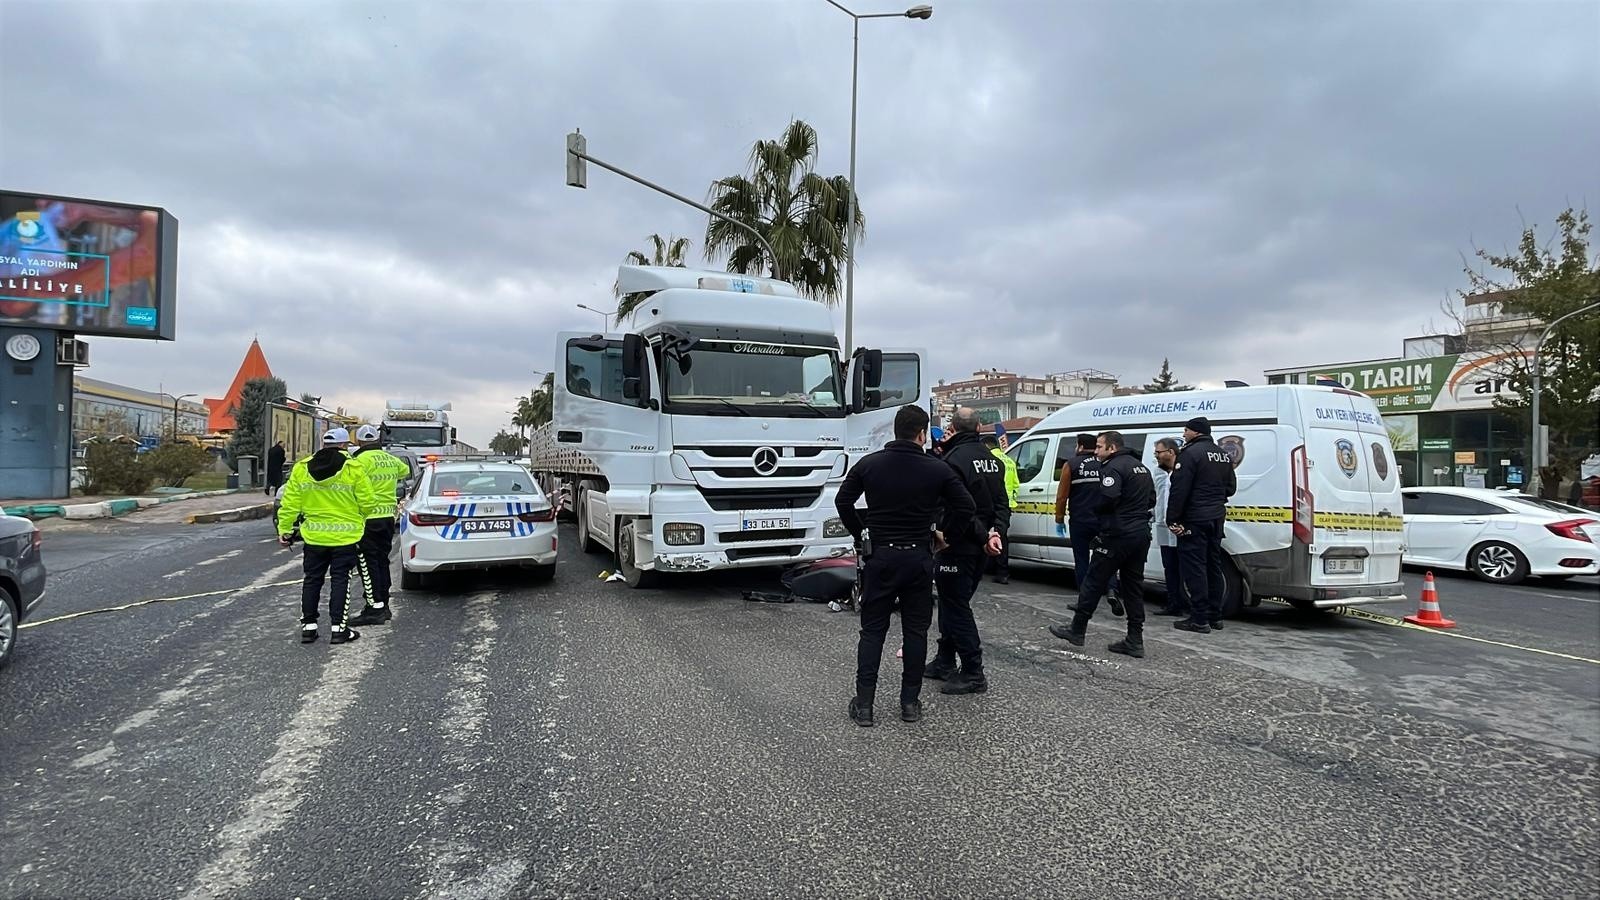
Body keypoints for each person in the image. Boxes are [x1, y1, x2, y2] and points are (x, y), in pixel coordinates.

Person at [835, 405, 996, 727]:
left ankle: (864, 704)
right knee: (915, 631)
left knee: (872, 632)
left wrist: (862, 533)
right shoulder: (936, 468)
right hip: (918, 558)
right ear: (922, 434)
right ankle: (909, 703)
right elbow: (966, 506)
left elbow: (843, 501)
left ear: (896, 430)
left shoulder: (870, 464)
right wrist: (945, 535)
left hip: (880, 557)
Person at [1049, 431, 1156, 657]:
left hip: (1117, 534)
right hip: (1140, 533)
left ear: (1112, 448)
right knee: (1133, 587)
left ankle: (1077, 629)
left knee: (1093, 580)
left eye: (1099, 447)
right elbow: (1151, 500)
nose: (1095, 451)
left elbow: (1109, 496)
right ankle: (1135, 639)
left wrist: (1099, 512)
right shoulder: (1141, 467)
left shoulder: (1112, 468)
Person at [926, 407, 1008, 695]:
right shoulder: (993, 461)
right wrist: (995, 533)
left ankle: (973, 671)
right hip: (981, 546)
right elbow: (1001, 504)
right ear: (978, 428)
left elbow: (962, 508)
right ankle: (945, 660)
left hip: (957, 543)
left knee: (956, 607)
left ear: (953, 427)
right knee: (952, 603)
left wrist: (984, 534)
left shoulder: (952, 461)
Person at [277, 428, 380, 645]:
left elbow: (290, 503)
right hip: (346, 537)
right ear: (345, 445)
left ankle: (308, 627)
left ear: (323, 444)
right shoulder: (353, 467)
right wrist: (359, 517)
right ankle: (339, 629)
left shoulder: (302, 468)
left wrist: (285, 530)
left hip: (314, 537)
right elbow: (369, 502)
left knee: (312, 580)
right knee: (341, 580)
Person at [1167, 416, 1238, 634]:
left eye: (1186, 430)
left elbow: (1179, 489)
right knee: (1212, 566)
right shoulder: (1223, 455)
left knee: (1195, 569)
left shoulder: (1190, 454)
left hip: (1195, 518)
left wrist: (1173, 519)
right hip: (1216, 517)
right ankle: (1215, 616)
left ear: (1196, 432)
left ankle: (1198, 619)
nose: (1183, 434)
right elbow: (1231, 488)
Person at [1054, 433, 1124, 616]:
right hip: (1103, 520)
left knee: (1082, 559)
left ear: (1079, 446)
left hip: (1080, 521)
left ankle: (1084, 600)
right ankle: (1112, 590)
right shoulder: (1106, 464)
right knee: (1106, 558)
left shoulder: (1072, 465)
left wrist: (1059, 518)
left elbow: (1062, 495)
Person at [348, 425, 411, 626]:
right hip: (387, 519)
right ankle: (383, 603)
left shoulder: (357, 462)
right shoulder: (391, 459)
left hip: (367, 519)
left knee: (367, 564)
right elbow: (405, 470)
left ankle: (374, 608)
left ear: (358, 442)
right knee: (382, 561)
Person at [1152, 437, 1189, 617]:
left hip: (1180, 526)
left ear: (1171, 452)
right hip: (1162, 525)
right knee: (1169, 566)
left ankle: (1186, 602)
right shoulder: (1157, 472)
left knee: (1184, 566)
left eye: (1159, 452)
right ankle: (1173, 603)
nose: (1156, 456)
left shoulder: (1183, 471)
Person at [983, 429, 1019, 584]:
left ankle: (989, 568)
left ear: (986, 446)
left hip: (991, 504)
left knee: (987, 536)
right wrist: (1012, 500)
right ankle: (1002, 572)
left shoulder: (989, 459)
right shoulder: (1009, 460)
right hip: (1006, 507)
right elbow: (1016, 484)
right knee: (1001, 538)